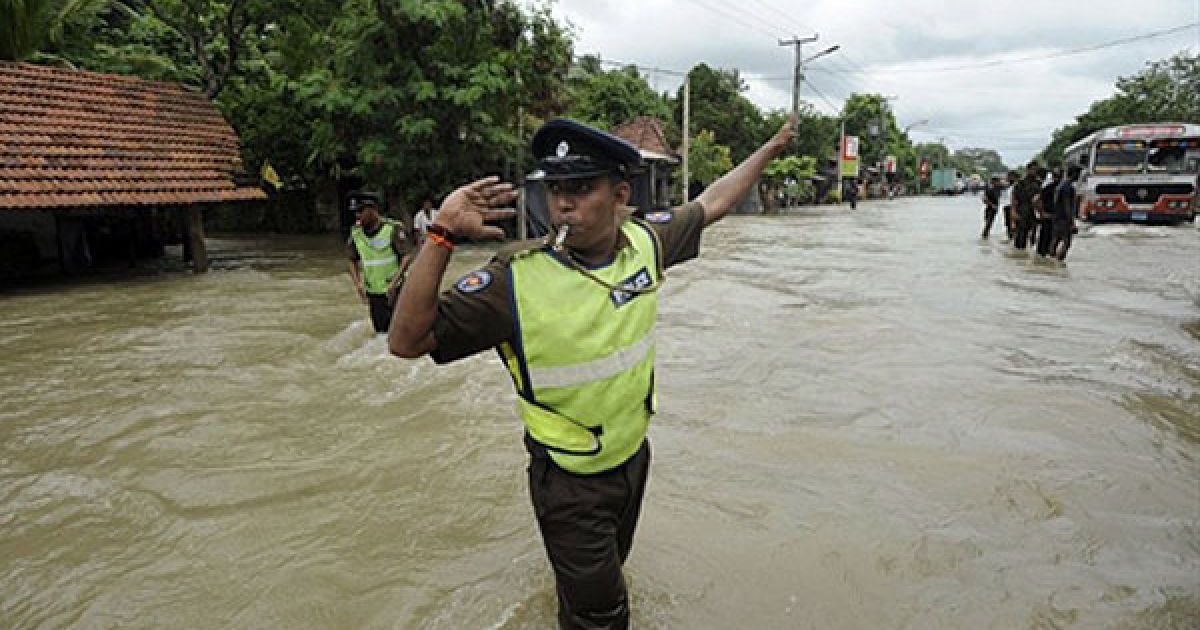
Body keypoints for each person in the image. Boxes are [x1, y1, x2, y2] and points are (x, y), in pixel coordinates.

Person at [388, 116, 796, 628]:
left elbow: (713, 201)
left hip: (632, 462)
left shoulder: (646, 242)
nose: (563, 203)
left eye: (581, 188)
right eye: (556, 189)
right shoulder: (512, 281)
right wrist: (442, 235)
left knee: (602, 583)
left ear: (621, 194)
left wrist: (769, 149)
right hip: (569, 483)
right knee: (603, 616)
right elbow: (405, 342)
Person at [346, 192, 411, 334]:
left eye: (360, 211)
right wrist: (358, 284)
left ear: (373, 209)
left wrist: (394, 283)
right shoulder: (356, 233)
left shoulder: (393, 228)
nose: (357, 215)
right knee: (381, 334)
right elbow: (351, 260)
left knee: (400, 333)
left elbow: (406, 257)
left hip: (396, 291)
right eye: (355, 212)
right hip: (373, 293)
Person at [1011, 161, 1041, 250]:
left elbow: (1040, 199)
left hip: (1033, 212)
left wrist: (1040, 212)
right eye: (1033, 169)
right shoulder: (1020, 183)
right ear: (1027, 170)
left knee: (1033, 236)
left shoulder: (1038, 183)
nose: (1035, 172)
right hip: (1021, 211)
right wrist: (1013, 213)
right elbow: (1014, 200)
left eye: (1036, 170)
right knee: (1020, 237)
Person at [1052, 165, 1080, 261]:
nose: (1079, 176)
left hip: (1057, 218)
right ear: (1074, 174)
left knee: (1055, 240)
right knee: (1066, 242)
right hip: (1064, 219)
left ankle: (1051, 260)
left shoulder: (1061, 185)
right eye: (1078, 174)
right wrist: (1072, 222)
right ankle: (1058, 261)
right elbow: (1067, 206)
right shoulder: (1068, 187)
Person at [1035, 167, 1062, 257]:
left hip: (1055, 218)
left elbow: (1036, 201)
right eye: (1056, 176)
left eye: (1058, 176)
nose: (1057, 178)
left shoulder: (1057, 188)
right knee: (1047, 240)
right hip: (1050, 218)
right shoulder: (1048, 188)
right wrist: (1042, 213)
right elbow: (1036, 201)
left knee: (1052, 241)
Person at [1000, 170, 1018, 241]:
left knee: (1012, 225)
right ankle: (1011, 241)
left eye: (1008, 177)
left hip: (1012, 207)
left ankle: (1013, 240)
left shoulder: (1016, 186)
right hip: (1007, 206)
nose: (1006, 178)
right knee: (1008, 225)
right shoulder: (1009, 186)